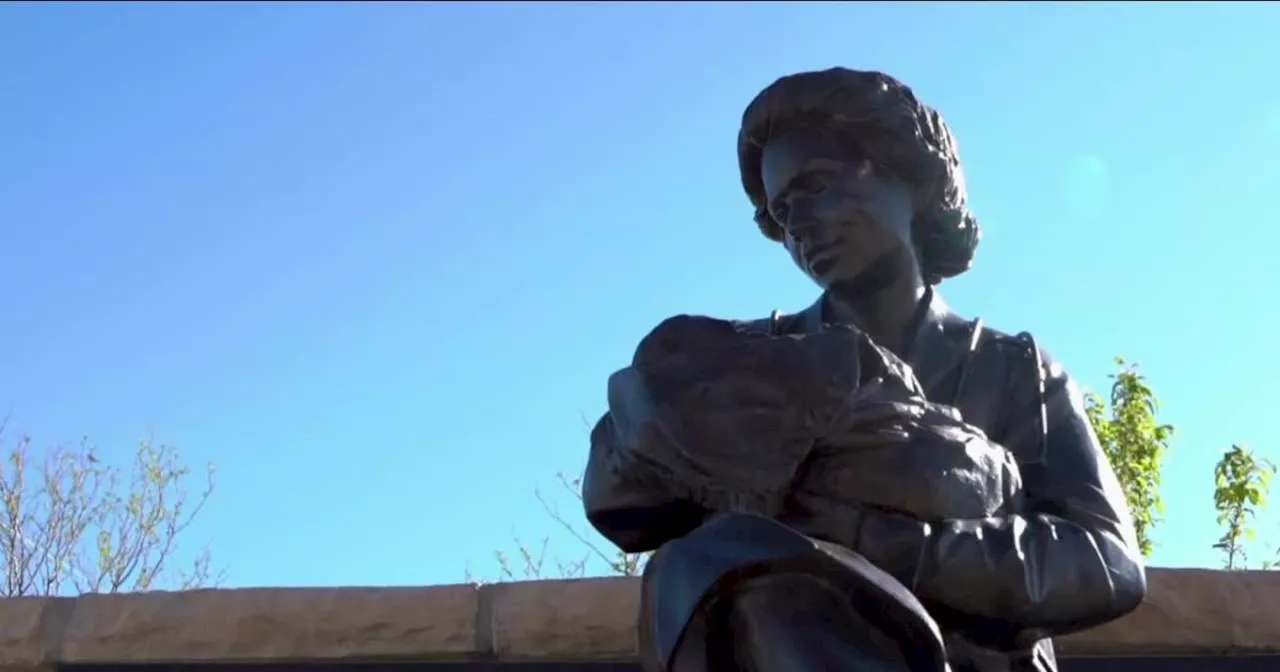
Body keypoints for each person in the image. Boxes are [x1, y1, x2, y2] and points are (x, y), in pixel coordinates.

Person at [582, 68, 1146, 672]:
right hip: (774, 641)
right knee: (727, 569)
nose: (798, 226)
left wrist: (886, 541)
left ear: (907, 175)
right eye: (782, 211)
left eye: (817, 187)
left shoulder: (1013, 370)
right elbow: (620, 495)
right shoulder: (745, 361)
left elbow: (1106, 561)